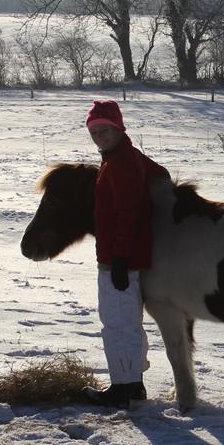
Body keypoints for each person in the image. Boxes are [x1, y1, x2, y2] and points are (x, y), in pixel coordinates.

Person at [82, 99, 169, 409]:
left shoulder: (120, 163)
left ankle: (121, 389)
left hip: (118, 258)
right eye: (94, 132)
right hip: (127, 255)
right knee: (128, 321)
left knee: (117, 323)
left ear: (119, 128)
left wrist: (119, 258)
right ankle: (133, 384)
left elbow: (127, 213)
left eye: (105, 130)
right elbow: (161, 174)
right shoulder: (126, 156)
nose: (99, 137)